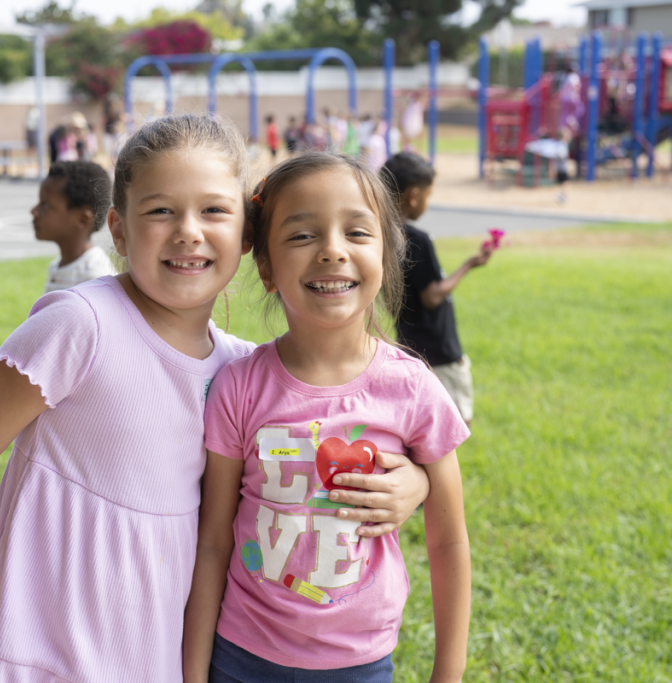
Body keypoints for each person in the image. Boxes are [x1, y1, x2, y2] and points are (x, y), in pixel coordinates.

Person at [0, 114, 427, 683]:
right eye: (161, 211)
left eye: (213, 210)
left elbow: (312, 455)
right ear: (118, 231)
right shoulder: (81, 324)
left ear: (247, 235)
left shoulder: (240, 372)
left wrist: (417, 482)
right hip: (38, 651)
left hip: (152, 657)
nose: (188, 231)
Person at [183, 152, 471, 682]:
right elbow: (214, 541)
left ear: (385, 254)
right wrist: (194, 673)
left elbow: (448, 542)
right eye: (301, 235)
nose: (333, 250)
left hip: (361, 663)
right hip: (240, 657)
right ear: (266, 267)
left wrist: (448, 673)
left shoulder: (414, 389)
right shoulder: (237, 387)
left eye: (358, 233)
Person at [380, 152, 493, 426]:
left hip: (409, 345)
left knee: (419, 425)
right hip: (439, 350)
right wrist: (469, 265)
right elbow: (432, 296)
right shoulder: (416, 239)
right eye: (428, 195)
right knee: (454, 425)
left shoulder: (380, 236)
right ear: (414, 195)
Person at [32, 160, 117, 293]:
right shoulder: (56, 266)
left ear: (83, 219)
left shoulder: (96, 278)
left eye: (46, 205)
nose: (34, 211)